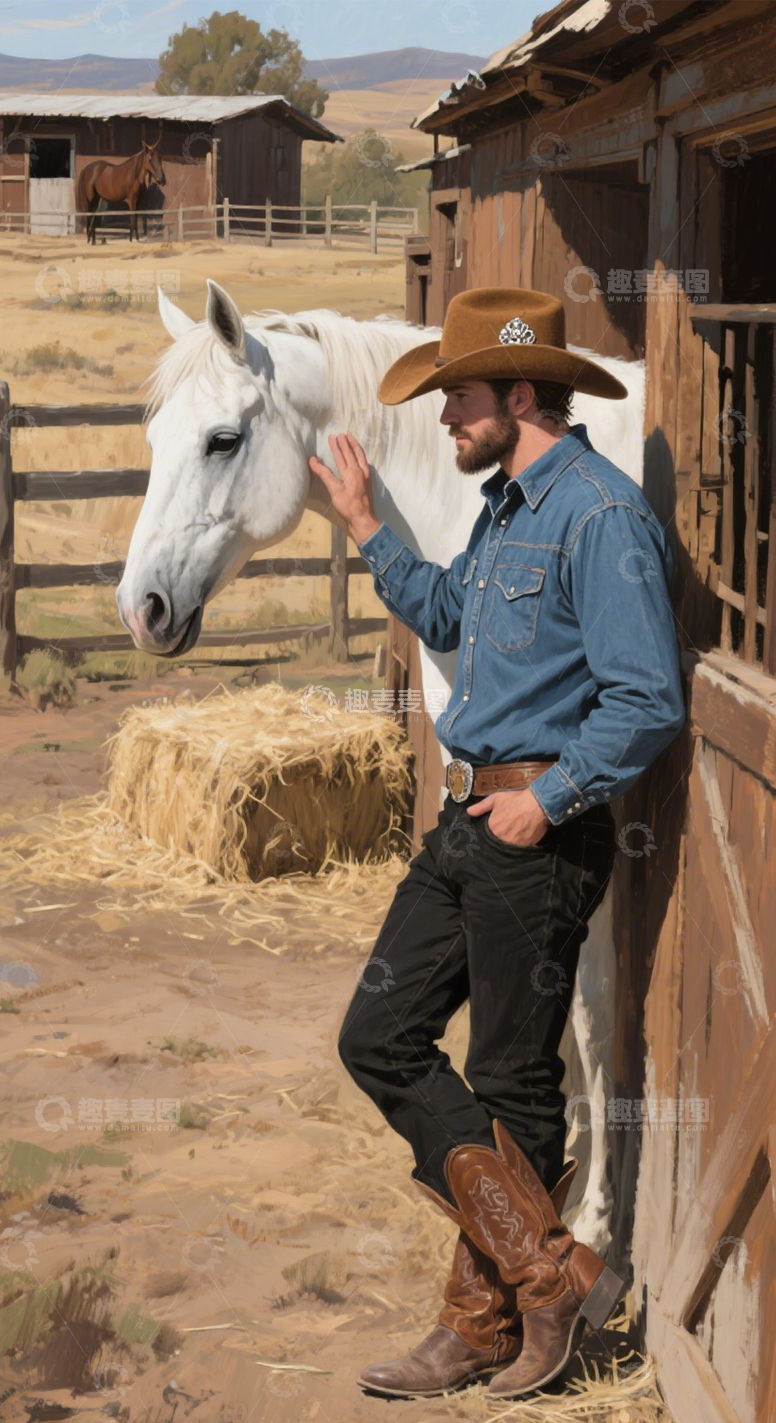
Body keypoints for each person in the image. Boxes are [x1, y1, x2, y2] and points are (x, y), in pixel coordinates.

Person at [308, 287, 685, 1400]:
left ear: (518, 395)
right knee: (376, 1035)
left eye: (456, 398)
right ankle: (548, 1270)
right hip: (466, 820)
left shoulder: (599, 516)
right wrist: (371, 530)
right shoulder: (506, 510)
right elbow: (455, 622)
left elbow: (645, 695)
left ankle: (477, 1322)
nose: (442, 419)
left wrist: (553, 794)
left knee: (511, 1080)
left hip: (535, 829)